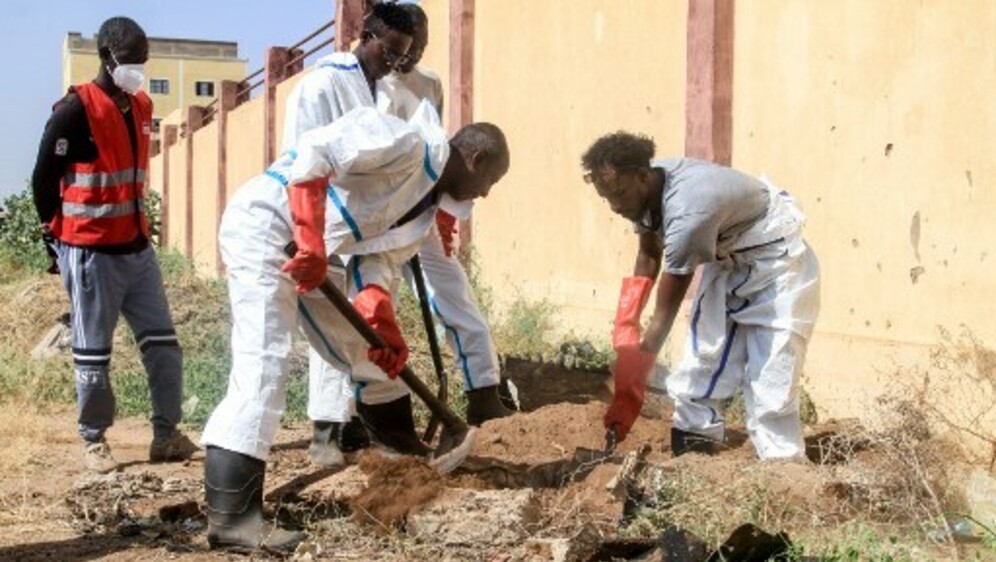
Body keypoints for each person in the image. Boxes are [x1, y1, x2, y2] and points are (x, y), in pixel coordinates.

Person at [200, 105, 509, 553]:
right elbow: (315, 151)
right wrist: (309, 238)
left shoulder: (422, 215)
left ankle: (401, 456)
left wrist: (383, 326)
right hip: (267, 229)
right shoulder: (406, 142)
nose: (486, 193)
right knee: (264, 362)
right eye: (490, 181)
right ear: (476, 160)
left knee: (371, 357)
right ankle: (232, 519)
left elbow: (374, 263)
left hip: (319, 256)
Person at [582, 132, 820, 460]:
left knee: (771, 376)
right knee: (700, 361)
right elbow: (648, 255)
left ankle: (783, 465)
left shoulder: (689, 214)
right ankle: (693, 459)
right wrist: (625, 326)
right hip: (727, 257)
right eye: (606, 197)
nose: (615, 206)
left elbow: (664, 314)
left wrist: (635, 369)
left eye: (619, 194)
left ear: (642, 177)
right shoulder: (643, 183)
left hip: (776, 262)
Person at [28, 17, 197, 474]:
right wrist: (53, 239)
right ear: (107, 57)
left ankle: (166, 434)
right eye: (131, 60)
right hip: (91, 253)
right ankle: (94, 440)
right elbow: (43, 177)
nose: (138, 69)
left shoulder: (141, 105)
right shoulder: (74, 109)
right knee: (93, 353)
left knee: (164, 346)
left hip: (137, 250)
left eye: (143, 60)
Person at [281, 1, 416, 467]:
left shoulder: (384, 90)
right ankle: (325, 431)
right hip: (323, 220)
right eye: (389, 52)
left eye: (402, 57)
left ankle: (357, 425)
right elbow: (304, 158)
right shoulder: (322, 83)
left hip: (364, 225)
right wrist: (310, 234)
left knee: (361, 327)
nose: (393, 63)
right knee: (332, 326)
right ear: (367, 36)